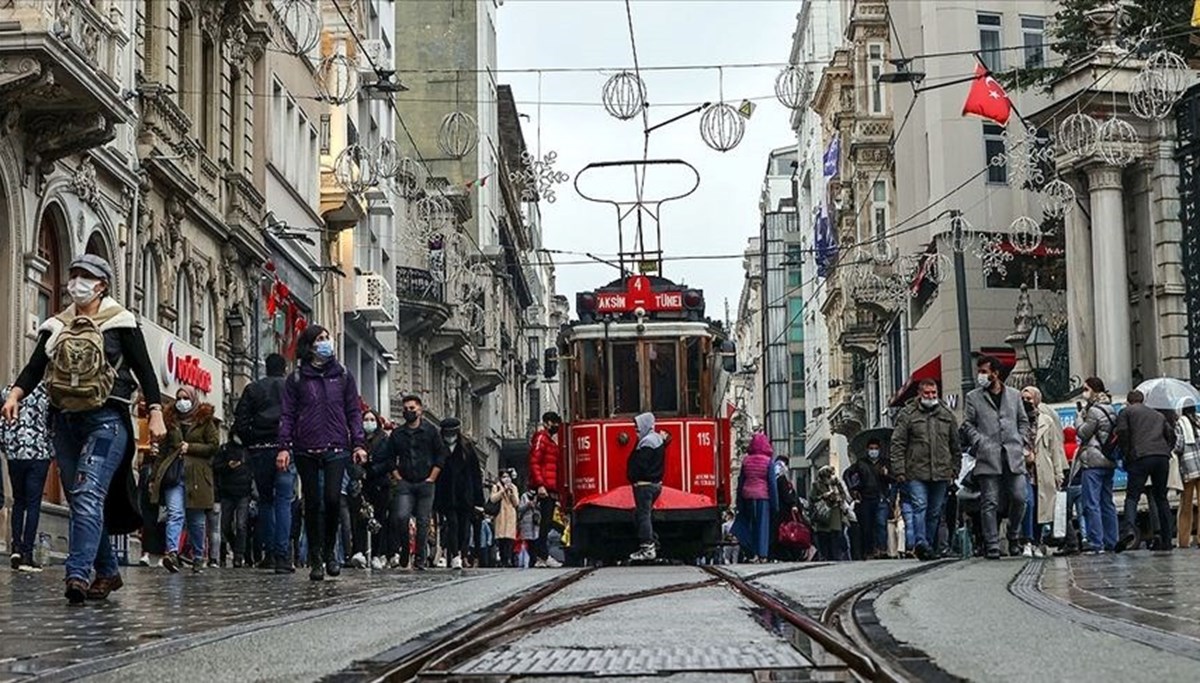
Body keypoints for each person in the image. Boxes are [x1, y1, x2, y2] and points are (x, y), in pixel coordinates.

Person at [3, 254, 166, 603]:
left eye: (86, 276)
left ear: (102, 284)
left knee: (88, 492)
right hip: (65, 423)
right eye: (73, 274)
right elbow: (34, 368)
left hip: (107, 421)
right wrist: (15, 394)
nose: (77, 281)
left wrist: (156, 411)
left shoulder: (121, 322)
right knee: (80, 498)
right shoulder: (56, 325)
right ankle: (107, 572)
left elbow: (145, 370)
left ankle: (77, 574)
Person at [277, 325, 368, 581]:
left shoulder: (343, 376)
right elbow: (287, 414)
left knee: (332, 500)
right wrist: (284, 446)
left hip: (337, 446)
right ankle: (316, 555)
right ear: (309, 345)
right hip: (306, 447)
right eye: (320, 339)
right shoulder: (297, 379)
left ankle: (330, 552)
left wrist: (359, 443)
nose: (326, 342)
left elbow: (353, 411)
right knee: (313, 503)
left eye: (327, 338)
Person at [962, 355, 1030, 560]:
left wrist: (1021, 439)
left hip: (1013, 455)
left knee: (1020, 497)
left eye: (984, 371)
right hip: (988, 455)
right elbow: (968, 424)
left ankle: (1013, 535)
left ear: (996, 373)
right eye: (979, 371)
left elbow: (1023, 421)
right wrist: (979, 441)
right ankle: (991, 543)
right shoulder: (973, 397)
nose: (980, 375)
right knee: (989, 501)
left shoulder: (1014, 395)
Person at [234, 353, 294, 574]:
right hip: (285, 449)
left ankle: (269, 552)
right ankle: (282, 555)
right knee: (284, 500)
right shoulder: (291, 388)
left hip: (260, 449)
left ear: (265, 368)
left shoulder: (253, 389)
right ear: (285, 368)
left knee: (266, 501)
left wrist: (251, 440)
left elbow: (240, 420)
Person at [891, 379, 960, 561]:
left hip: (941, 472)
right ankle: (921, 542)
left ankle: (927, 545)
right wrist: (899, 470)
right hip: (916, 472)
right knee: (920, 506)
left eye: (934, 393)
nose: (931, 396)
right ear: (920, 394)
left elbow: (955, 445)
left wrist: (955, 468)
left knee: (935, 511)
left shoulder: (946, 414)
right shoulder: (908, 414)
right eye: (927, 393)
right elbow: (898, 443)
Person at [375, 394, 445, 570]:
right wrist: (397, 476)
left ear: (420, 410)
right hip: (405, 482)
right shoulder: (398, 434)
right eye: (405, 409)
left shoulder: (430, 431)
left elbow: (440, 456)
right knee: (401, 517)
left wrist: (432, 478)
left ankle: (420, 557)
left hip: (426, 482)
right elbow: (390, 457)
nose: (408, 412)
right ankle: (405, 550)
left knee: (423, 521)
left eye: (412, 409)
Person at [153, 387, 218, 574]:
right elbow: (163, 451)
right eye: (179, 397)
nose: (182, 401)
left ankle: (198, 556)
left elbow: (213, 446)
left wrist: (191, 447)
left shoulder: (205, 420)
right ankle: (172, 553)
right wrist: (155, 476)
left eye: (185, 398)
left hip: (197, 476)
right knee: (175, 514)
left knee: (196, 520)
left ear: (193, 399)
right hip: (174, 475)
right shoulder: (170, 420)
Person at [1115, 389, 1177, 552]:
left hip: (1140, 456)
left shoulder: (1126, 412)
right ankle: (1167, 539)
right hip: (1161, 457)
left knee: (1132, 496)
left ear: (1128, 401)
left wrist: (1127, 454)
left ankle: (1129, 531)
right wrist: (1166, 450)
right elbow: (1171, 435)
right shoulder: (1157, 415)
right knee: (1161, 498)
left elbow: (1122, 433)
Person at [2, 383, 52, 572]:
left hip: (15, 454)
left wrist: (7, 446)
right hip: (38, 454)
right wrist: (50, 450)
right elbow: (51, 424)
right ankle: (27, 554)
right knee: (33, 504)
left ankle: (15, 547)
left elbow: (2, 421)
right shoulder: (45, 394)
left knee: (18, 501)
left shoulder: (8, 392)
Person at [1073, 377, 1119, 554]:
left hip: (1093, 461)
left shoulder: (1093, 411)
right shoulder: (1110, 408)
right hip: (1108, 460)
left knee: (1091, 503)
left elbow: (1083, 433)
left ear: (1094, 390)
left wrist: (1078, 418)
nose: (1084, 393)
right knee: (1107, 502)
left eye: (1086, 389)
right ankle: (1111, 540)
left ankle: (1096, 542)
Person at [1022, 386, 1067, 557]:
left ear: (1037, 400)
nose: (1026, 402)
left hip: (1043, 470)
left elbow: (1055, 449)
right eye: (1023, 398)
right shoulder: (1018, 420)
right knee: (1028, 503)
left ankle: (1037, 542)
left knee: (1042, 508)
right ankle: (1027, 540)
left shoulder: (1046, 421)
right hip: (1024, 470)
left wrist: (1058, 473)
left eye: (1029, 398)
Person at [434, 417, 484, 569]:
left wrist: (478, 500)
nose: (450, 437)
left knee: (464, 526)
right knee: (452, 523)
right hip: (446, 493)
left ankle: (462, 552)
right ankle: (455, 554)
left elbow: (476, 474)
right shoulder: (438, 447)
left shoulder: (467, 448)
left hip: (465, 494)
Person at [627, 412, 667, 561]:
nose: (636, 431)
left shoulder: (647, 443)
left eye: (638, 428)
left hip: (645, 485)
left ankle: (647, 546)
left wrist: (634, 476)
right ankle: (653, 542)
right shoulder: (656, 439)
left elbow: (641, 464)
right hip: (654, 484)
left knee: (643, 516)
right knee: (641, 515)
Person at [732, 433, 775, 562]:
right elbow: (772, 484)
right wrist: (775, 503)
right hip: (763, 496)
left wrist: (738, 501)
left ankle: (753, 553)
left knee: (750, 525)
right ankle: (763, 554)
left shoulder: (746, 461)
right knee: (763, 526)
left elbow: (741, 482)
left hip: (747, 496)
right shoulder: (768, 462)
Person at [844, 438, 890, 560]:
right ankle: (869, 550)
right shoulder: (861, 463)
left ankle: (882, 549)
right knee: (867, 526)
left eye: (876, 449)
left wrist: (886, 475)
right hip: (866, 498)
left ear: (880, 450)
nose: (873, 451)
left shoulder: (885, 463)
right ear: (867, 450)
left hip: (881, 497)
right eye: (871, 449)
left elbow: (894, 478)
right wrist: (852, 489)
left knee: (881, 523)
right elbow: (847, 474)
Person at [529, 411, 563, 568]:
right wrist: (540, 484)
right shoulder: (542, 438)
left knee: (547, 521)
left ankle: (541, 555)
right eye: (554, 423)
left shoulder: (549, 440)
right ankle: (541, 554)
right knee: (545, 521)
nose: (556, 426)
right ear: (548, 422)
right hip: (545, 487)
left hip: (550, 486)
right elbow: (535, 461)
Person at [214, 440, 253, 568]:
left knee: (241, 525)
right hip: (227, 492)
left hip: (244, 492)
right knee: (225, 526)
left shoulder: (248, 449)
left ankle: (239, 555)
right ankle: (236, 547)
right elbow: (216, 466)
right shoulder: (225, 449)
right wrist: (227, 466)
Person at [1173, 402, 1200, 549]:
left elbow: (1178, 446)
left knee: (1186, 505)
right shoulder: (1199, 420)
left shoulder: (1180, 424)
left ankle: (1184, 541)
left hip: (1189, 468)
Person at [810, 465, 847, 561]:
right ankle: (825, 556)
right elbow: (812, 498)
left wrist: (837, 497)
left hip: (835, 513)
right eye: (827, 476)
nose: (829, 478)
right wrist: (823, 496)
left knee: (835, 537)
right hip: (824, 515)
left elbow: (843, 495)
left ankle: (835, 556)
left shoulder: (836, 484)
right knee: (824, 538)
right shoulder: (816, 485)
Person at [490, 470, 520, 567]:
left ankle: (507, 559)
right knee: (501, 539)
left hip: (510, 515)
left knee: (509, 539)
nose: (506, 479)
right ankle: (503, 560)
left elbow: (516, 503)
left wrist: (511, 493)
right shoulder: (496, 487)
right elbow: (493, 499)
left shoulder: (514, 487)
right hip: (500, 515)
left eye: (507, 476)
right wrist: (502, 491)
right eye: (504, 477)